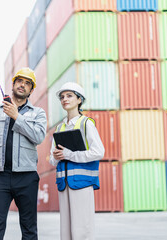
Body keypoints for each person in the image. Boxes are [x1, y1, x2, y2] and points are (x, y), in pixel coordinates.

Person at [0, 67, 47, 240]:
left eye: (27, 83)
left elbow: (39, 137)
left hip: (27, 177)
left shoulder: (38, 113)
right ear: (13, 84)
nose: (23, 85)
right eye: (20, 81)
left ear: (31, 90)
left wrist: (16, 117)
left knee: (29, 229)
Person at [49, 82, 105, 240]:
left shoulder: (86, 123)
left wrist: (69, 154)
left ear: (79, 99)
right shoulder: (59, 128)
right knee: (66, 232)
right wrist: (56, 156)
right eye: (62, 97)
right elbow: (53, 160)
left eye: (69, 95)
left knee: (82, 231)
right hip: (64, 184)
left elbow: (98, 152)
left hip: (82, 183)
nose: (64, 99)